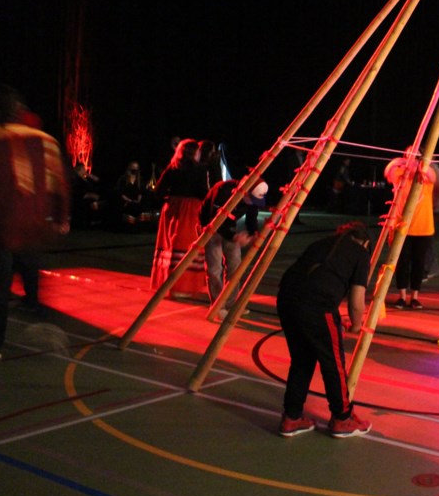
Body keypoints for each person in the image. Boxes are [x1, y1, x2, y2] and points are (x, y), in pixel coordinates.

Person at [276, 221, 372, 438]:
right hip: (317, 306)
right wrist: (357, 325)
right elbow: (357, 300)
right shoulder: (360, 253)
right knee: (333, 363)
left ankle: (291, 417)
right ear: (365, 242)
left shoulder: (321, 243)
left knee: (302, 359)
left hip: (286, 299)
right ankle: (342, 418)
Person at [0, 84, 71, 360]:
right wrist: (62, 217)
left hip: (1, 224)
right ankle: (38, 311)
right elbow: (60, 183)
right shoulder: (45, 141)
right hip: (33, 223)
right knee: (31, 268)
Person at [384, 150, 439, 309]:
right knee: (402, 263)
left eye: (416, 154)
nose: (413, 157)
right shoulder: (400, 173)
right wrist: (401, 161)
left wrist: (419, 164)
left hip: (423, 228)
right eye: (410, 154)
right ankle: (402, 296)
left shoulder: (426, 173)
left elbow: (432, 176)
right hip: (403, 227)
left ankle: (414, 297)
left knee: (419, 264)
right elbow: (388, 171)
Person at [150, 138, 209, 300]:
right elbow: (203, 193)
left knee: (170, 246)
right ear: (195, 153)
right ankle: (184, 286)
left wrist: (171, 199)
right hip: (190, 210)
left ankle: (168, 285)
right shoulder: (200, 170)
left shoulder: (172, 168)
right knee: (187, 246)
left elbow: (158, 191)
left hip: (172, 210)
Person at [199, 178, 267, 319]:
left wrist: (253, 233)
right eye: (252, 199)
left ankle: (230, 305)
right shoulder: (223, 191)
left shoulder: (251, 199)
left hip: (230, 227)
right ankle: (218, 306)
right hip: (211, 228)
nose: (254, 203)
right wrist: (235, 237)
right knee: (214, 269)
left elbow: (252, 216)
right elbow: (216, 221)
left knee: (235, 267)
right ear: (245, 193)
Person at [115, 161, 144, 227]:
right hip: (125, 200)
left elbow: (141, 192)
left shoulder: (140, 179)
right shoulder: (123, 178)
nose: (135, 170)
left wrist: (138, 200)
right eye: (133, 167)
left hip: (135, 201)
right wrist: (128, 200)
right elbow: (120, 192)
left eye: (136, 168)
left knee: (138, 207)